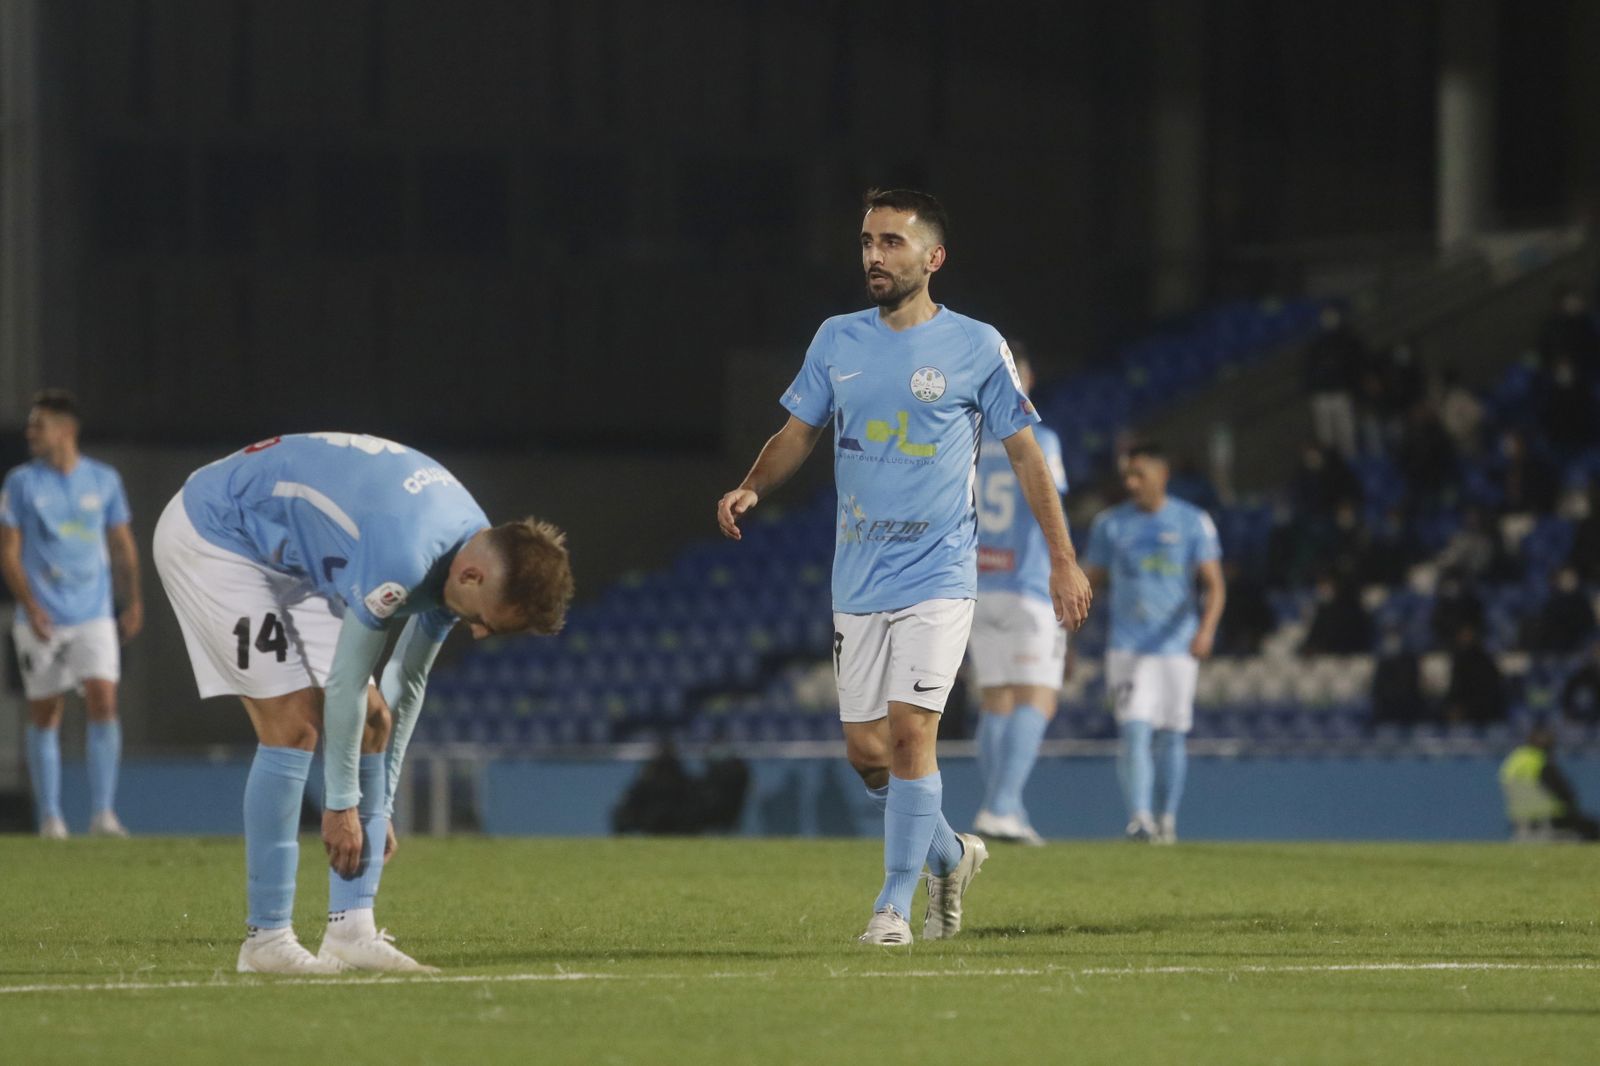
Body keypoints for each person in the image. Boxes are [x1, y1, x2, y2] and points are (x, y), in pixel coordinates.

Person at [716, 189, 1090, 946]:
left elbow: (1025, 456)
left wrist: (1063, 559)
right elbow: (798, 432)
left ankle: (891, 907)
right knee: (868, 754)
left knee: (913, 733)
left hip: (940, 574)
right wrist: (753, 484)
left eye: (891, 242)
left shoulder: (976, 345)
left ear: (933, 257)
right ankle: (950, 856)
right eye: (866, 242)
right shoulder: (837, 339)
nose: (874, 256)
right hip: (858, 574)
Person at [153, 431, 573, 974]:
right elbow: (345, 684)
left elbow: (407, 681)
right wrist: (342, 807)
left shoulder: (472, 547)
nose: (480, 633)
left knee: (375, 721)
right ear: (472, 577)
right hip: (218, 532)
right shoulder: (404, 556)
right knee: (294, 724)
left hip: (296, 558)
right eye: (484, 619)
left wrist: (380, 806)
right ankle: (266, 940)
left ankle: (350, 930)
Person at [0, 389, 142, 839]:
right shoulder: (21, 482)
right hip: (42, 616)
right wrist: (30, 606)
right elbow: (8, 551)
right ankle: (51, 818)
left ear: (64, 430)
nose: (30, 432)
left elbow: (122, 545)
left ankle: (103, 814)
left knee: (104, 701)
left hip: (93, 613)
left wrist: (133, 600)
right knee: (46, 712)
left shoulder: (103, 480)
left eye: (38, 424)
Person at [1082, 443, 1224, 844]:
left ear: (1162, 475)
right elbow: (1088, 583)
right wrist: (1068, 635)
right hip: (1128, 647)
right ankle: (1140, 820)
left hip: (1177, 646)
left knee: (1173, 734)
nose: (1131, 483)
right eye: (1127, 475)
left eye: (1139, 474)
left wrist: (1206, 631)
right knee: (1134, 730)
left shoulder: (1193, 521)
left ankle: (1167, 819)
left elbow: (1214, 585)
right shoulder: (1110, 524)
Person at [968, 349, 1069, 846]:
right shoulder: (1038, 438)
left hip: (976, 585)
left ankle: (1004, 807)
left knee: (997, 701)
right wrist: (1065, 563)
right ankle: (1002, 806)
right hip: (1027, 585)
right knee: (1038, 697)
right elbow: (1050, 499)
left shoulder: (966, 438)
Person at [1499, 723, 1600, 842]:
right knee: (1591, 826)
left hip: (1520, 817)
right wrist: (1572, 805)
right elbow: (1563, 792)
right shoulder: (1541, 762)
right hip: (1551, 816)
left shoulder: (1513, 760)